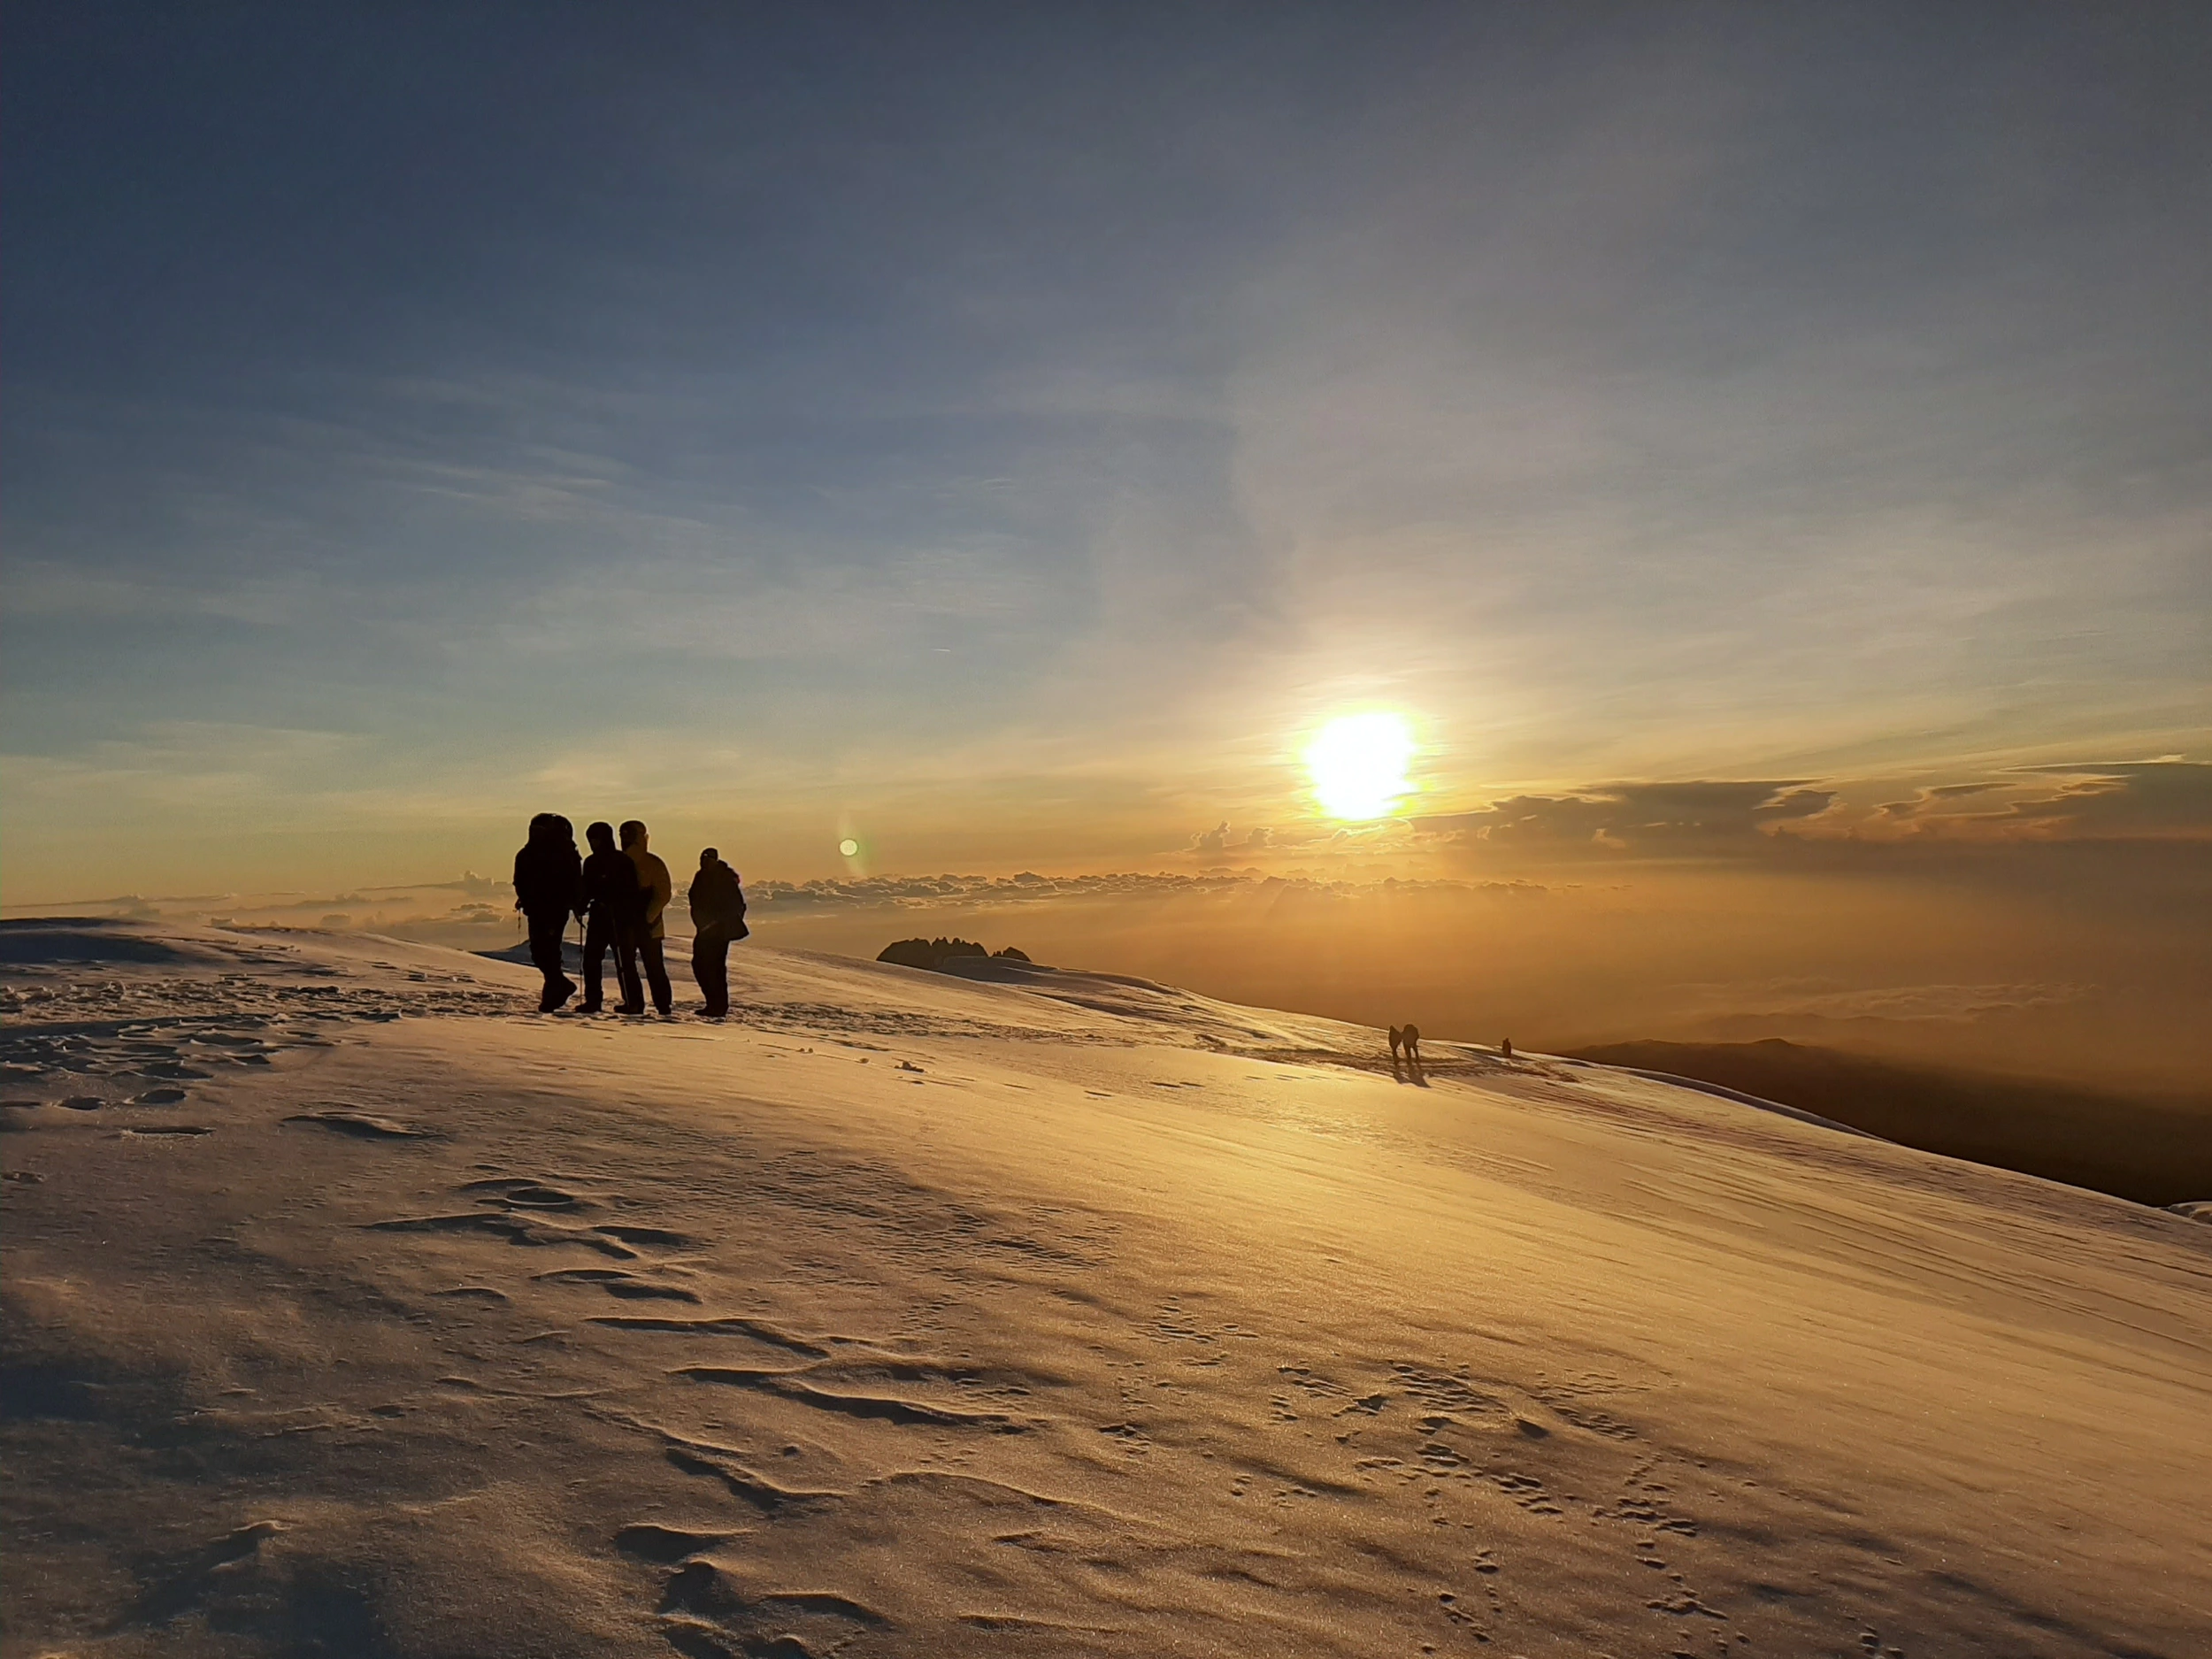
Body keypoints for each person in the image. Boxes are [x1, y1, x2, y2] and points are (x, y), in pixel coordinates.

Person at [511, 812, 583, 1012]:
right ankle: (556, 988)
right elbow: (521, 880)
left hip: (553, 909)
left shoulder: (560, 855)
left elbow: (573, 882)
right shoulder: (529, 854)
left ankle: (553, 994)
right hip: (538, 909)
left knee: (547, 951)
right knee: (540, 952)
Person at [578, 820, 645, 1015]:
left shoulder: (618, 861)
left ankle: (632, 1003)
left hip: (617, 917)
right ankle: (597, 1001)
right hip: (607, 916)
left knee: (622, 961)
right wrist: (583, 904)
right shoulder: (608, 861)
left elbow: (631, 890)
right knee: (596, 960)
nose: (592, 843)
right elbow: (587, 887)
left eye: (594, 839)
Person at [619, 819, 675, 1017]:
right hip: (647, 925)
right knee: (652, 966)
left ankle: (635, 1003)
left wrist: (646, 918)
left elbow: (662, 894)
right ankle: (661, 1005)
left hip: (636, 924)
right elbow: (663, 894)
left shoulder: (641, 863)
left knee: (633, 965)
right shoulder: (653, 862)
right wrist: (650, 917)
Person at [687, 847, 748, 1018]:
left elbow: (736, 905)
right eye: (702, 858)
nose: (704, 861)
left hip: (719, 931)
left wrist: (718, 921)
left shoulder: (724, 877)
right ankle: (714, 1004)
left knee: (713, 967)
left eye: (707, 858)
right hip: (706, 929)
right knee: (702, 966)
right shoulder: (702, 876)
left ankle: (718, 1006)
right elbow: (695, 899)